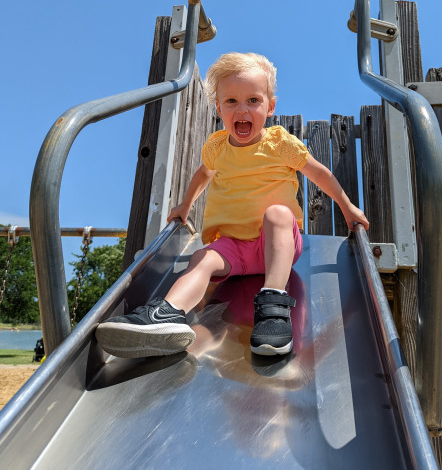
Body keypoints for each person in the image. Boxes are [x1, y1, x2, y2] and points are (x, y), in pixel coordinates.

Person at [96, 52, 369, 359]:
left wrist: (347, 207)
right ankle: (166, 315)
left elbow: (320, 173)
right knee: (202, 257)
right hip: (233, 250)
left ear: (270, 107)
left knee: (278, 213)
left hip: (275, 247)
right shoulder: (217, 148)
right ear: (218, 108)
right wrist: (185, 206)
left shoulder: (280, 145)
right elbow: (202, 175)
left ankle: (274, 306)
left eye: (253, 100)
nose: (243, 110)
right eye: (232, 102)